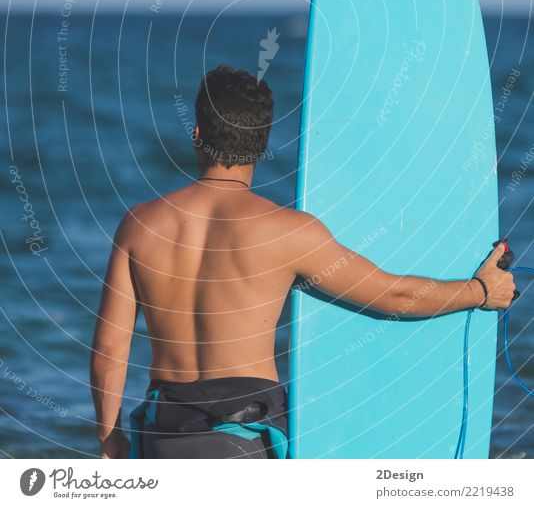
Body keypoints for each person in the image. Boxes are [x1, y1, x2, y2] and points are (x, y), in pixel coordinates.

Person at [90, 65, 516, 459]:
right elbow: (393, 294)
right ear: (262, 141)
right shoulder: (289, 233)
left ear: (198, 133)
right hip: (245, 439)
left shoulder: (140, 225)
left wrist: (109, 439)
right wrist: (479, 292)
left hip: (163, 432)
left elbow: (110, 350)